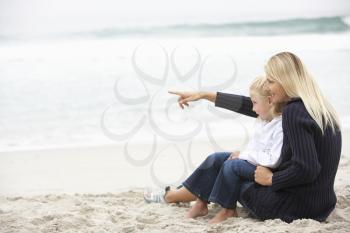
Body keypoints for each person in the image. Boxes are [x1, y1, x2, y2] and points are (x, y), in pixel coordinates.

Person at [165, 52, 341, 224]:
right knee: (220, 160)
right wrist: (205, 95)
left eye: (271, 81)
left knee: (229, 168)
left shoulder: (294, 112)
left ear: (286, 80)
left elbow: (307, 169)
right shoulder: (317, 106)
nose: (268, 87)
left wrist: (271, 179)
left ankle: (179, 196)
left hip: (291, 208)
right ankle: (178, 195)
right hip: (319, 203)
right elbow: (258, 105)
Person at [145, 76, 284, 224]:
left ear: (270, 101)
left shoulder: (280, 124)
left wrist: (243, 155)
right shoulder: (263, 119)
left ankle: (226, 210)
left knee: (231, 165)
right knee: (216, 158)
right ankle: (200, 203)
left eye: (254, 103)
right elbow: (256, 146)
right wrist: (203, 95)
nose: (252, 108)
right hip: (255, 161)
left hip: (266, 170)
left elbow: (272, 159)